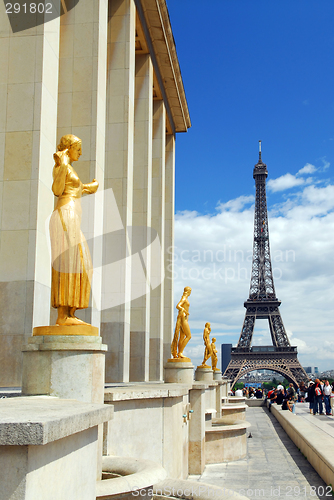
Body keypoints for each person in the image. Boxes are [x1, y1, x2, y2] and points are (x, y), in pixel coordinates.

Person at [50, 134, 99, 325]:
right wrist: (61, 164)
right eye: (78, 148)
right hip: (65, 216)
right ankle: (63, 316)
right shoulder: (61, 165)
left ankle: (70, 312)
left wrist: (88, 188)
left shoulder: (69, 169)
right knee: (68, 262)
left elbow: (73, 188)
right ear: (69, 148)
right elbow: (57, 189)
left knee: (84, 265)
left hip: (72, 218)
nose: (81, 152)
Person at [171, 287, 192, 358]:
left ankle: (180, 353)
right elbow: (178, 305)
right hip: (183, 318)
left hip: (184, 318)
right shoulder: (184, 298)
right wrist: (185, 311)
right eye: (190, 291)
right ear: (188, 291)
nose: (190, 292)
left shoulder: (185, 298)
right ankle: (180, 352)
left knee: (182, 337)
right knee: (189, 336)